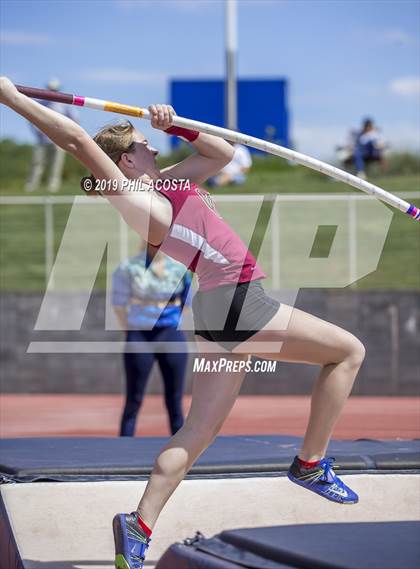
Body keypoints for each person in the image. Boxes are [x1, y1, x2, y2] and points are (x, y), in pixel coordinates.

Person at [0, 77, 366, 569]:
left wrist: (179, 125)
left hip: (216, 310)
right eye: (142, 143)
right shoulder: (138, 199)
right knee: (348, 352)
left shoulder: (171, 181)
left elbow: (222, 153)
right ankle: (310, 463)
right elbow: (76, 139)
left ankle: (139, 524)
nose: (151, 143)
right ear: (126, 161)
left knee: (196, 431)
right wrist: (11, 97)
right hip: (238, 304)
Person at [112, 240, 192, 437]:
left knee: (174, 400)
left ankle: (180, 453)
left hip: (170, 334)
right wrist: (130, 330)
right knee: (134, 399)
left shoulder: (181, 268)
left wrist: (174, 320)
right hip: (140, 335)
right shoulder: (128, 268)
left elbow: (187, 301)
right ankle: (124, 449)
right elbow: (119, 304)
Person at [25, 78, 77, 193]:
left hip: (59, 140)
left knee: (56, 164)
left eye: (55, 89)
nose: (53, 91)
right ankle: (31, 185)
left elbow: (74, 120)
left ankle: (53, 186)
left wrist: (67, 135)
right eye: (51, 89)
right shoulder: (41, 104)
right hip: (42, 140)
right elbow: (31, 119)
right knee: (37, 162)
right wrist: (36, 131)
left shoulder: (64, 106)